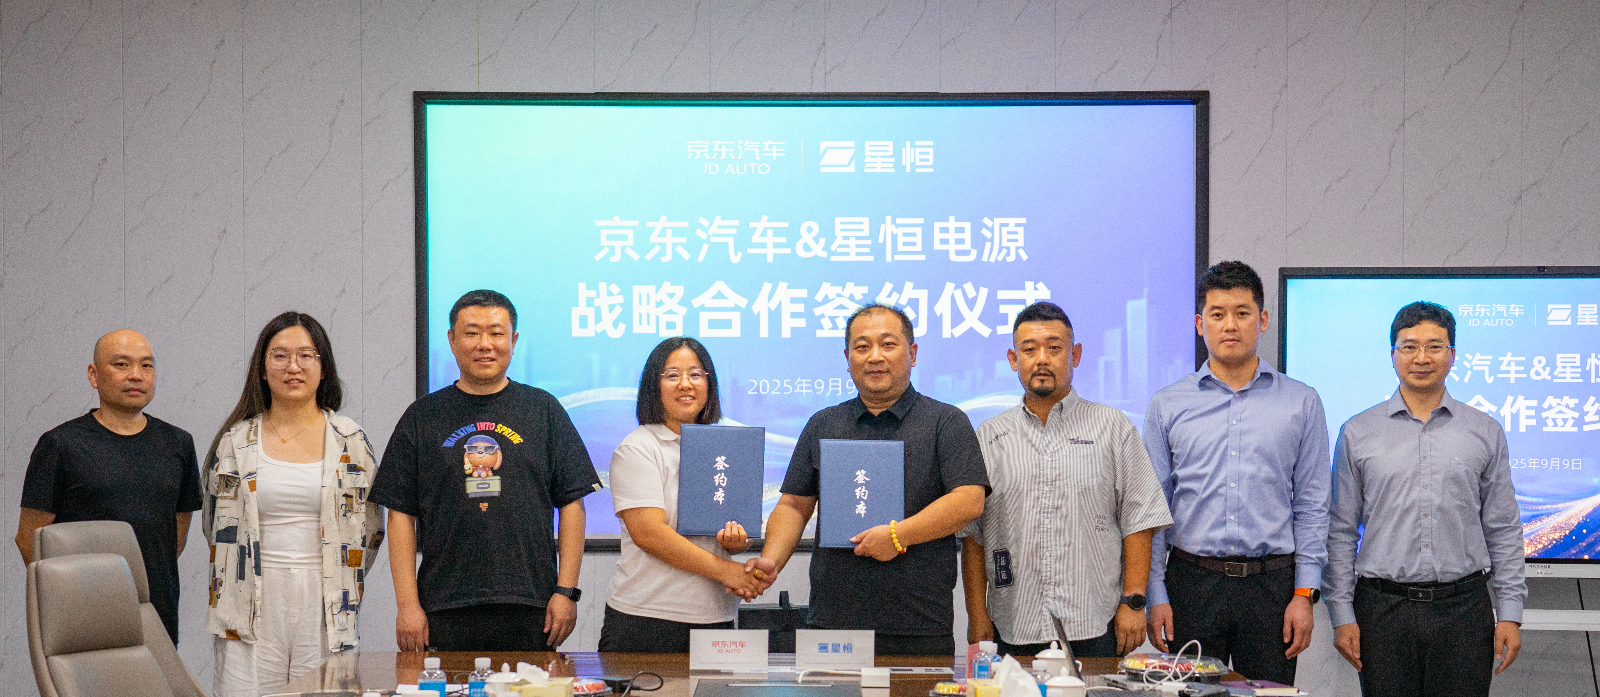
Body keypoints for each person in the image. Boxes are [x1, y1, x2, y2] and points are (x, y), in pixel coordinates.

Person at [747, 304, 989, 656]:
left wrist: (898, 536)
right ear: (848, 359)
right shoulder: (823, 424)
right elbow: (794, 506)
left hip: (919, 624)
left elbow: (969, 500)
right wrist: (771, 560)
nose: (875, 356)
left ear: (912, 353)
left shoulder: (946, 422)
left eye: (888, 344)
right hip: (832, 623)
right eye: (862, 347)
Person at [370, 289, 602, 651]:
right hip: (444, 605)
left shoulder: (543, 410)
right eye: (471, 333)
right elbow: (400, 514)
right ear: (452, 340)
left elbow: (572, 504)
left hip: (532, 603)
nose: (484, 344)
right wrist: (407, 606)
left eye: (496, 333)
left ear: (513, 340)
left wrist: (566, 591)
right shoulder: (422, 417)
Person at [1143, 261, 1330, 685]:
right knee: (1189, 694)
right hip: (1191, 584)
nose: (1230, 325)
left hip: (1272, 588)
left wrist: (1304, 593)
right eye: (1218, 314)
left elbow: (1313, 506)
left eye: (1242, 313)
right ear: (1200, 324)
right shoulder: (1168, 404)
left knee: (1268, 694)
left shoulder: (1301, 402)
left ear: (1262, 320)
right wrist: (1156, 594)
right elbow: (1152, 509)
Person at [1326, 302, 1525, 695]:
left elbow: (1503, 528)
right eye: (1409, 346)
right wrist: (1341, 613)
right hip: (1382, 610)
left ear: (1452, 354)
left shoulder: (1484, 431)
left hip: (1464, 609)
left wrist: (1510, 613)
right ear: (1393, 355)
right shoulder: (1357, 432)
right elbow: (1340, 530)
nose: (1422, 358)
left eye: (1435, 346)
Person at [962, 302, 1172, 658]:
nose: (1042, 359)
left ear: (1074, 355)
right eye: (1030, 349)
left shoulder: (1113, 427)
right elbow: (974, 536)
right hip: (1014, 623)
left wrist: (1134, 602)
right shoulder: (989, 436)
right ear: (1013, 359)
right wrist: (977, 613)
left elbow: (1139, 522)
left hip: (1094, 622)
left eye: (1054, 348)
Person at [203, 312, 385, 697]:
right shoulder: (235, 442)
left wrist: (342, 577)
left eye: (306, 355)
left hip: (327, 601)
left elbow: (371, 529)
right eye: (280, 356)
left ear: (324, 368)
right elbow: (213, 524)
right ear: (262, 368)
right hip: (247, 598)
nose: (293, 367)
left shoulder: (351, 441)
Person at [15, 329, 202, 645]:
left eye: (146, 365)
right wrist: (69, 595)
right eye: (121, 364)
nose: (136, 375)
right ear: (94, 375)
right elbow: (28, 539)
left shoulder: (178, 444)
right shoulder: (60, 445)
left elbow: (174, 537)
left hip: (157, 613)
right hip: (82, 615)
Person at [599, 337, 771, 652]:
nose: (685, 384)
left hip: (715, 614)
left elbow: (736, 534)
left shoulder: (727, 448)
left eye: (695, 374)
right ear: (653, 386)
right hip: (647, 618)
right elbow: (649, 535)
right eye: (672, 375)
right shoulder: (638, 447)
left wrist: (737, 542)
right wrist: (728, 571)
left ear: (709, 383)